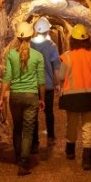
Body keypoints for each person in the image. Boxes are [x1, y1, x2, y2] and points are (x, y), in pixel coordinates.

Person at [0, 21, 45, 176]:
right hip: (31, 96)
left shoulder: (11, 55)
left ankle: (18, 157)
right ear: (31, 36)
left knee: (17, 128)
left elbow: (7, 77)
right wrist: (42, 98)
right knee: (28, 130)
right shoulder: (38, 56)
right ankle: (24, 162)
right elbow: (41, 81)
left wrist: (1, 98)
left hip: (15, 97)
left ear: (17, 37)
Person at [56, 23, 91, 171]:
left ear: (72, 40)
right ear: (87, 40)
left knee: (72, 123)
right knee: (88, 127)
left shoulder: (67, 57)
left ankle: (70, 151)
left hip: (72, 97)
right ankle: (87, 160)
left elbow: (62, 76)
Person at [30, 16, 61, 152]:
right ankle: (51, 137)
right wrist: (58, 84)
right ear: (48, 30)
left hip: (32, 85)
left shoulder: (29, 44)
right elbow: (56, 67)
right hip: (47, 85)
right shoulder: (52, 46)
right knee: (49, 112)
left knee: (33, 114)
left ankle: (34, 142)